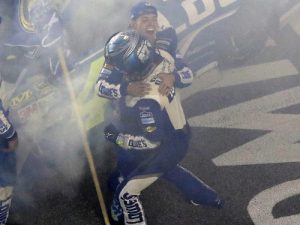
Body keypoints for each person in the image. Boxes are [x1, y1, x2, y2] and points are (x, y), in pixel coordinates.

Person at [102, 30, 223, 225]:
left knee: (127, 193)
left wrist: (117, 137)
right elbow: (170, 36)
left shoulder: (145, 101)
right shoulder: (163, 56)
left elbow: (150, 142)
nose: (119, 71)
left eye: (121, 67)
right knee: (167, 171)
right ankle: (206, 197)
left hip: (163, 145)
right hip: (176, 131)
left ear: (132, 68)